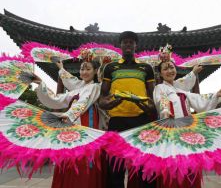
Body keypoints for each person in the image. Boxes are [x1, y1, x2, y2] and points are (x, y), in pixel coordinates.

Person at [153, 55, 221, 188]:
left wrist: (217, 94)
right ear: (160, 73)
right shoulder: (160, 88)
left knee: (191, 167)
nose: (170, 70)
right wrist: (165, 112)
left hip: (188, 131)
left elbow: (200, 101)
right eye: (165, 69)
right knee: (174, 169)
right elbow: (162, 101)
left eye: (172, 67)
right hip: (171, 130)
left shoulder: (181, 90)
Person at [33, 56, 106, 188]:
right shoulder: (77, 89)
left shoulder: (95, 87)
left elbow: (83, 103)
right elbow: (56, 98)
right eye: (82, 69)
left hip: (86, 121)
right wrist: (41, 84)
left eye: (88, 69)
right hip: (71, 120)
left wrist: (69, 114)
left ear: (96, 71)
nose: (84, 72)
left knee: (84, 155)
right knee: (68, 155)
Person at [99, 31, 156, 188]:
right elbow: (102, 98)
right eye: (125, 42)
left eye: (131, 42)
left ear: (136, 45)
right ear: (120, 45)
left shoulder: (146, 68)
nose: (128, 44)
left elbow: (153, 97)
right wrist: (109, 105)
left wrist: (149, 107)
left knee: (144, 165)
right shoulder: (110, 67)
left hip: (141, 120)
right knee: (115, 165)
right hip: (117, 120)